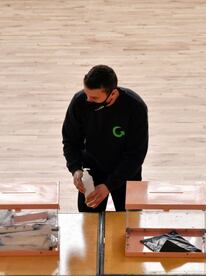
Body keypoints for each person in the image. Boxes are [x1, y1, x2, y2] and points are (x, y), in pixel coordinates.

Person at [62, 65, 148, 212]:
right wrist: (75, 168)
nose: (88, 100)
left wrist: (109, 185)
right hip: (92, 173)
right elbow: (70, 141)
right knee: (89, 227)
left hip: (126, 174)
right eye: (86, 94)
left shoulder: (135, 107)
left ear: (113, 94)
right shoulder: (79, 102)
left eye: (94, 97)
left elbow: (136, 155)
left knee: (131, 227)